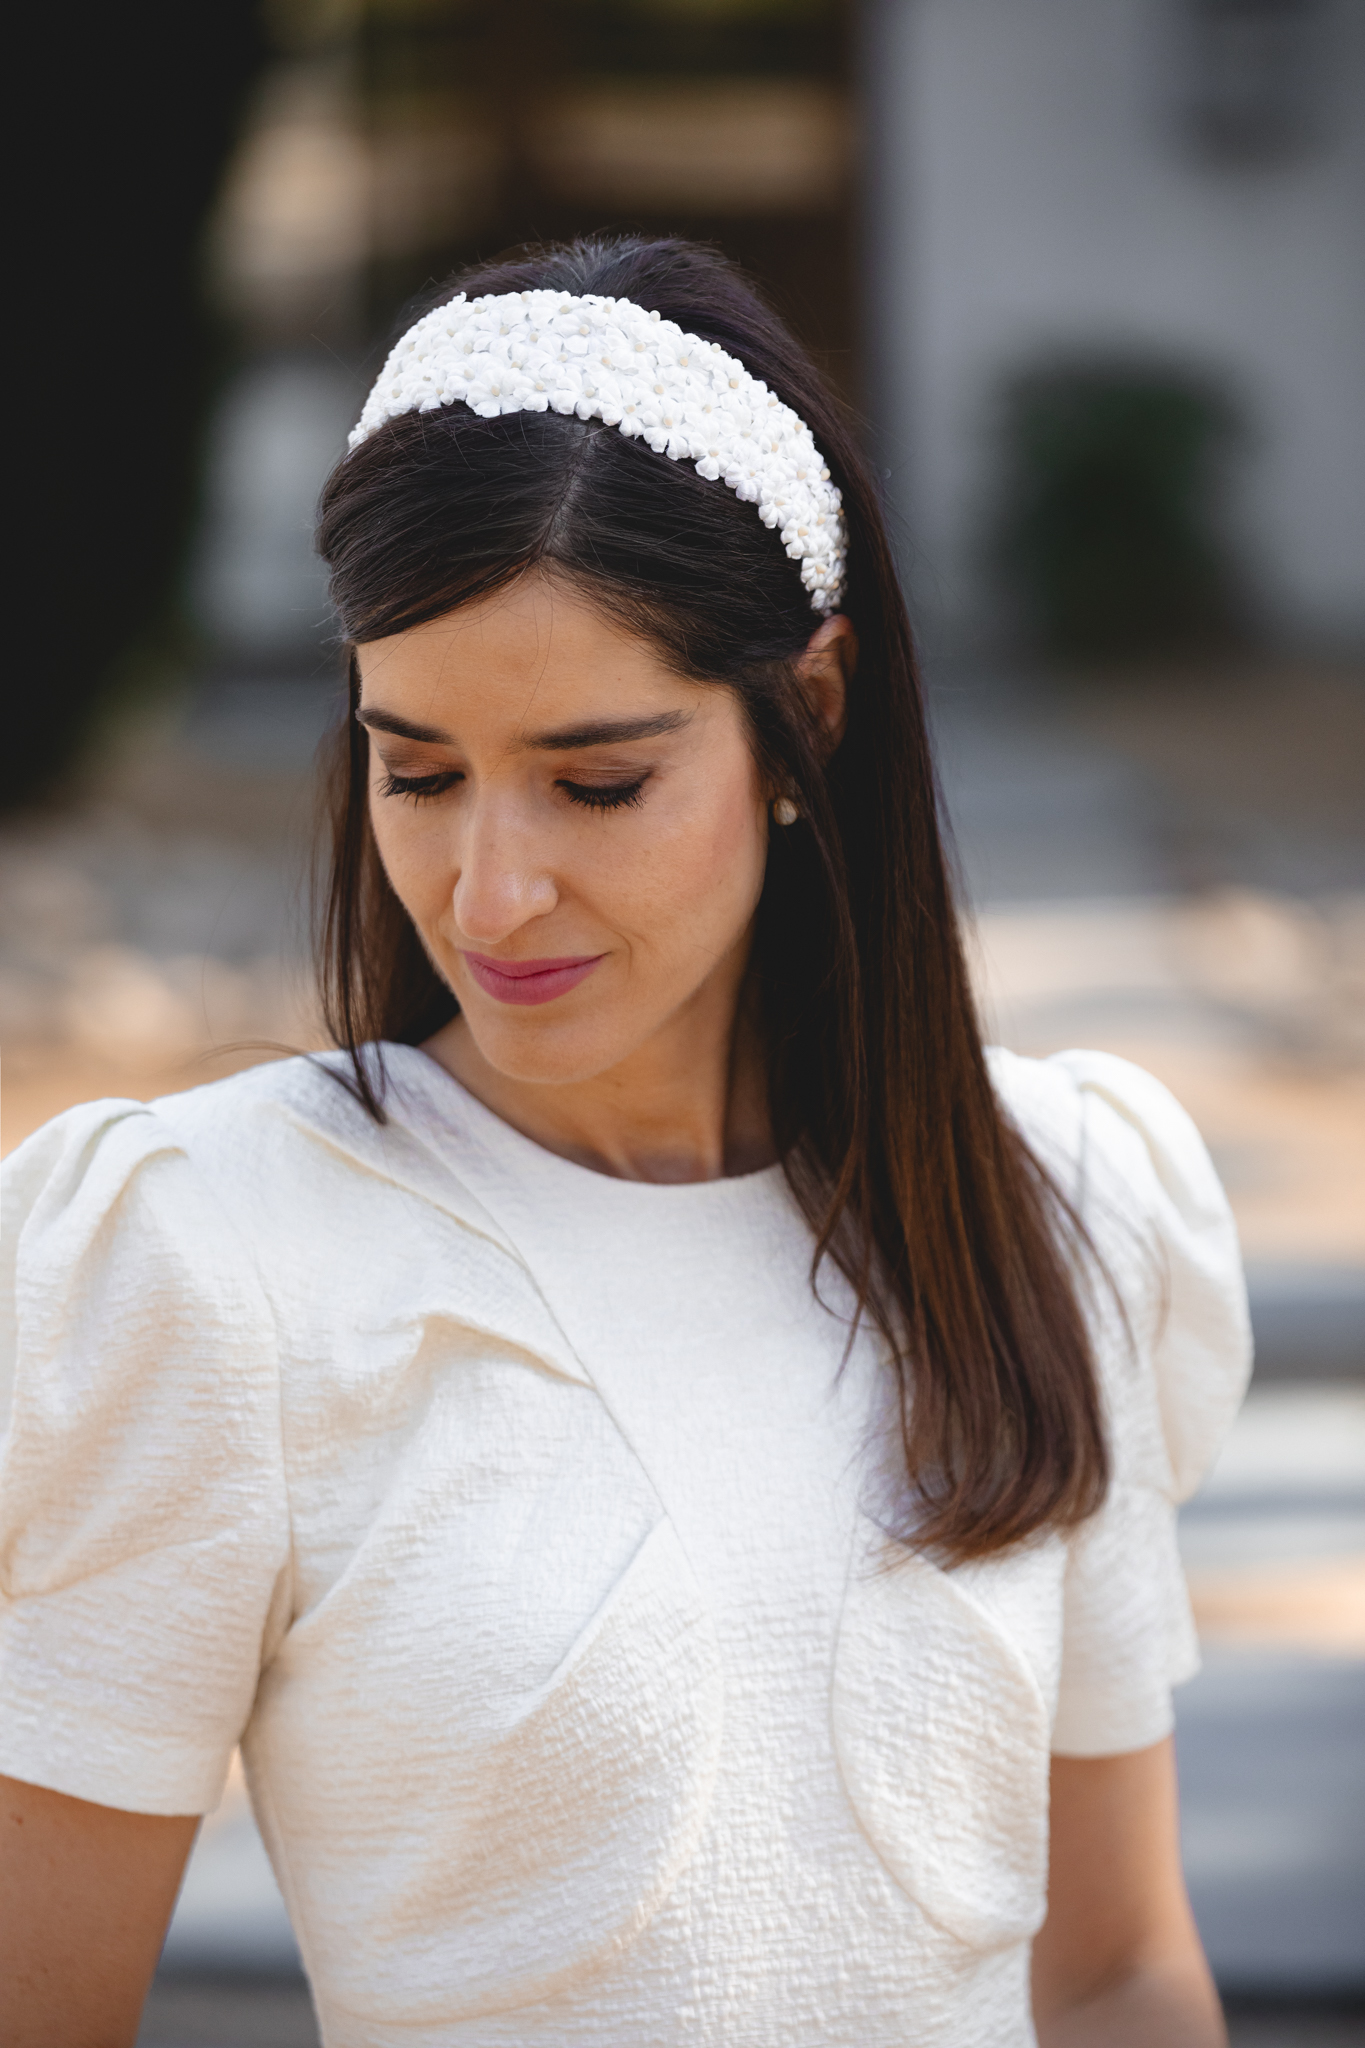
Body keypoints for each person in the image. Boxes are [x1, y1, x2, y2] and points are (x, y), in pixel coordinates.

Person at [0, 237, 1249, 2048]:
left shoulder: (1049, 1202)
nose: (488, 891)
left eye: (596, 782)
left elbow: (1123, 1968)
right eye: (414, 770)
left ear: (803, 717)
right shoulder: (211, 1259)